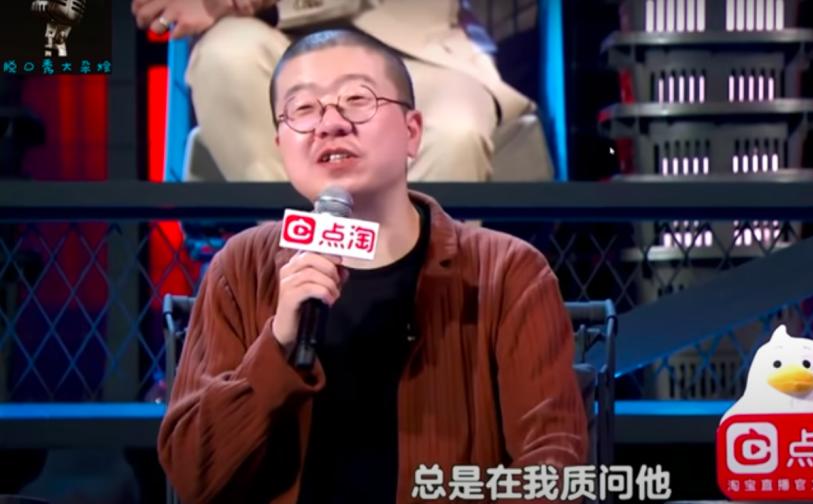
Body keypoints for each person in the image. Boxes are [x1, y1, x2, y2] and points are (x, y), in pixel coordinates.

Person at [155, 28, 588, 503]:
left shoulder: (507, 273)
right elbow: (194, 475)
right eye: (304, 109)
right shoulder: (240, 269)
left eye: (357, 100)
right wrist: (278, 344)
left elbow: (553, 466)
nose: (330, 124)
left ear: (412, 132)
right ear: (280, 144)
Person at [130, 0, 538, 182]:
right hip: (274, 48)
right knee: (225, 55)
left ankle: (416, 308)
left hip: (420, 53)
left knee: (453, 134)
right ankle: (300, 261)